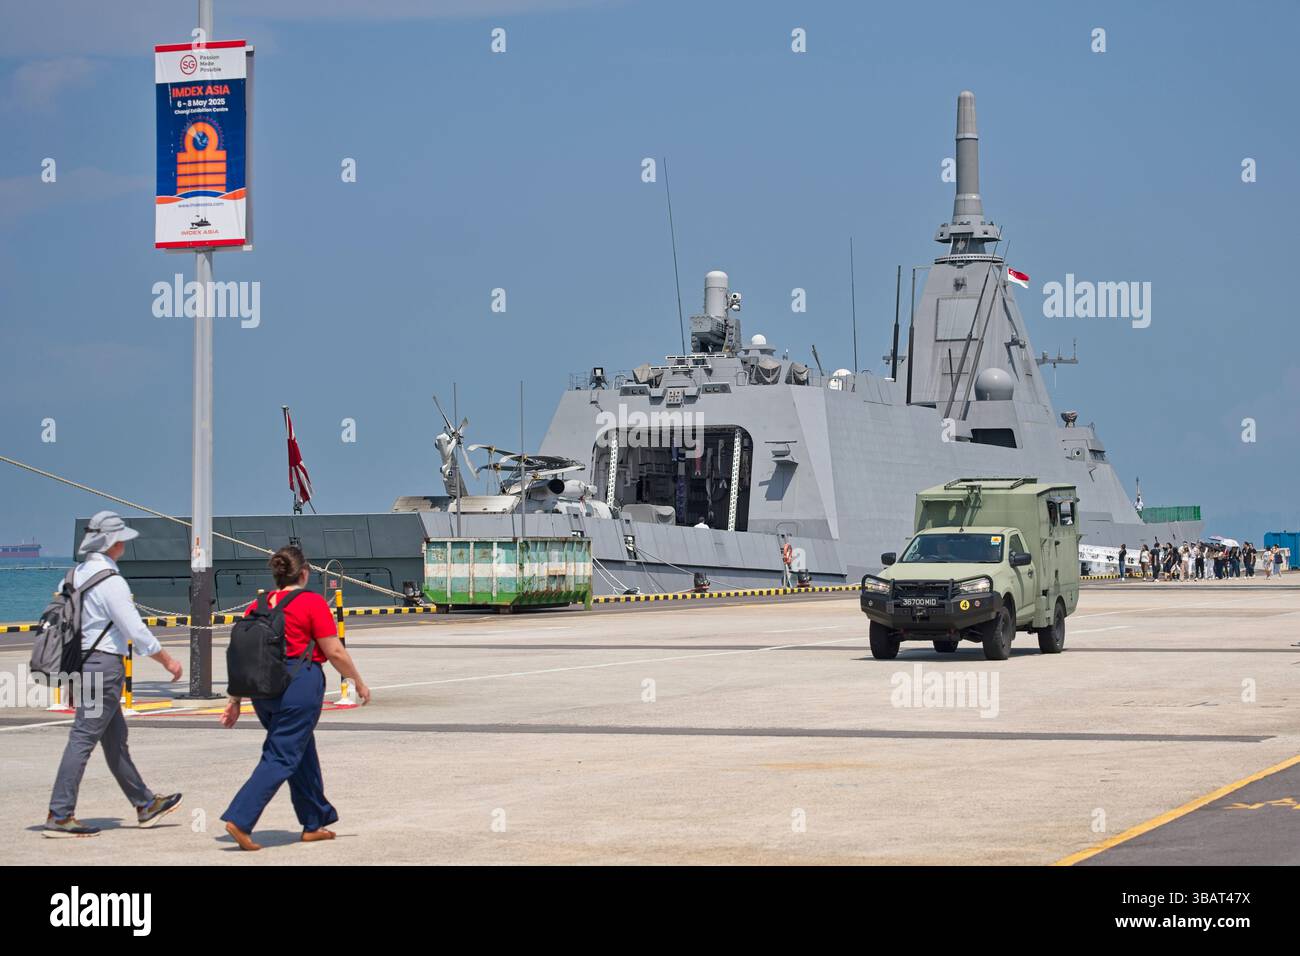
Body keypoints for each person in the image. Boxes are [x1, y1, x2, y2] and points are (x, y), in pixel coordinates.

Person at [219, 546, 372, 851]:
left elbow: (244, 654)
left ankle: (314, 821)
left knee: (300, 751)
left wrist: (235, 699)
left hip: (262, 690)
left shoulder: (258, 604)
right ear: (304, 573)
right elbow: (334, 651)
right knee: (281, 755)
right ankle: (240, 818)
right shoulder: (311, 603)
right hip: (298, 686)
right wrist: (358, 682)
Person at [45, 511, 184, 838]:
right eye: (120, 538)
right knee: (83, 737)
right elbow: (134, 628)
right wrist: (167, 661)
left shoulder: (72, 575)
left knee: (115, 741)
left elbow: (68, 627)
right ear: (111, 543)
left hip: (83, 666)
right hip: (103, 668)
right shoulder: (111, 581)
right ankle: (60, 813)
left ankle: (145, 804)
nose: (123, 543)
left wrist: (71, 675)